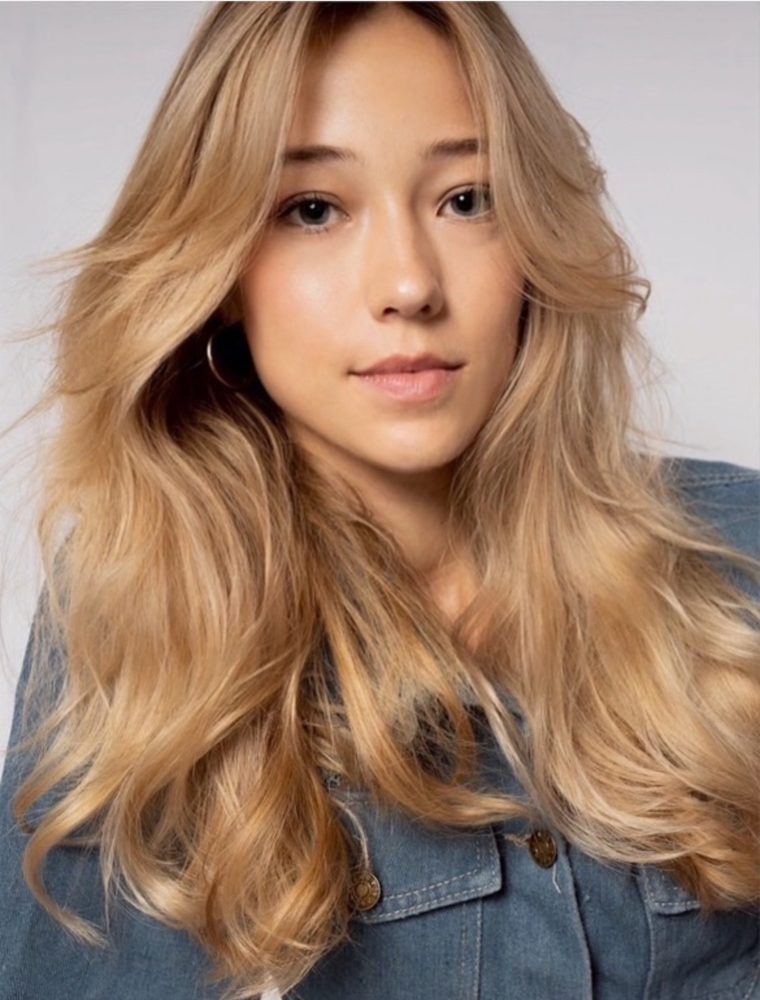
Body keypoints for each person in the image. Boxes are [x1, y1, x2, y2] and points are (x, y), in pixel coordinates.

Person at [0, 3, 758, 999]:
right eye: (313, 208)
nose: (408, 283)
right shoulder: (147, 620)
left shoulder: (733, 557)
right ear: (222, 270)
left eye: (467, 199)